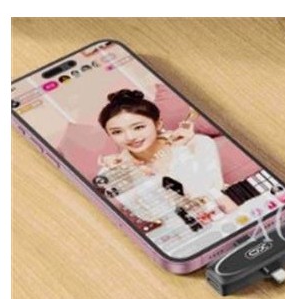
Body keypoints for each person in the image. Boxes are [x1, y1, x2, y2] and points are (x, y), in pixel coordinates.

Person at [96, 89, 236, 216]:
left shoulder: (197, 144)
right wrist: (131, 174)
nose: (130, 137)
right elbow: (151, 215)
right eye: (117, 132)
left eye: (138, 127)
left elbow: (209, 194)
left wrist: (179, 151)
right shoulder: (113, 172)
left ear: (158, 124)